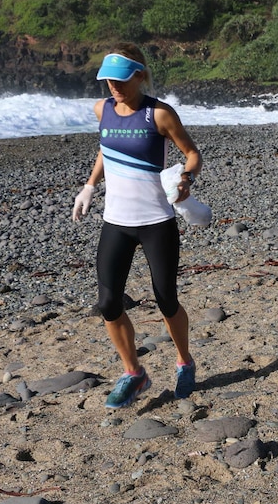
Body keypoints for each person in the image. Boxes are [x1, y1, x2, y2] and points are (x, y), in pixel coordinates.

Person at [72, 43, 202, 407]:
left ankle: (184, 361)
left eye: (121, 80)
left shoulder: (159, 114)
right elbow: (105, 148)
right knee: (108, 303)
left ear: (140, 75)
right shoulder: (103, 109)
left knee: (166, 299)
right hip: (116, 221)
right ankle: (134, 373)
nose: (114, 87)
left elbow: (192, 154)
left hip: (156, 221)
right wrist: (89, 186)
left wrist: (186, 178)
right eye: (108, 80)